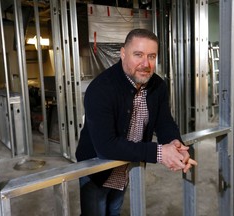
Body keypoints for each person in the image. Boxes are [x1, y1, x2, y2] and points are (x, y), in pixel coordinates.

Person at [76, 28, 197, 216]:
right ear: (123, 54)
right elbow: (106, 147)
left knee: (114, 210)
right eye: (138, 55)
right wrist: (159, 153)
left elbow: (164, 121)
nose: (145, 64)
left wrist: (174, 142)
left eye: (151, 56)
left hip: (126, 165)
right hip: (96, 169)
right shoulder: (101, 89)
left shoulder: (157, 85)